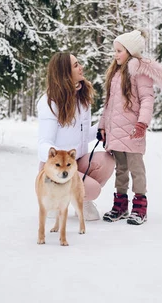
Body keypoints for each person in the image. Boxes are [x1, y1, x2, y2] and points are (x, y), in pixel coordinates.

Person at [98, 30, 162, 225]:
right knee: (120, 169)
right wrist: (103, 126)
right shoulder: (115, 74)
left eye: (119, 50)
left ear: (130, 51)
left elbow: (147, 99)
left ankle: (140, 206)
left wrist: (142, 123)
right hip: (116, 132)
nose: (115, 54)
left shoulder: (139, 71)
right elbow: (109, 104)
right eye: (115, 50)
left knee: (136, 169)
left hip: (132, 131)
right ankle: (120, 205)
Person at [37, 52, 115, 221]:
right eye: (76, 65)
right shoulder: (50, 103)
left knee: (107, 161)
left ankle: (80, 198)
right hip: (54, 169)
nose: (81, 67)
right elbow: (44, 144)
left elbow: (82, 137)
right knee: (93, 189)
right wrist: (62, 163)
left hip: (77, 161)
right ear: (64, 72)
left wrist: (102, 127)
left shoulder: (81, 99)